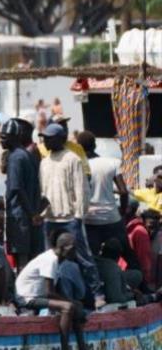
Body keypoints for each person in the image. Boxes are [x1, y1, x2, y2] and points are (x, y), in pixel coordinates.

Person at [15, 231, 105, 350]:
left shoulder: (58, 260)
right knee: (68, 307)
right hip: (26, 298)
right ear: (63, 248)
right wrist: (70, 303)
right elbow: (49, 292)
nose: (75, 252)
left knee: (75, 306)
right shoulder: (50, 260)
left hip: (37, 296)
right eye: (72, 249)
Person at [40, 123, 103, 307]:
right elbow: (43, 191)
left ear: (60, 139)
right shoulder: (44, 162)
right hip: (50, 218)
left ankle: (97, 293)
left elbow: (82, 189)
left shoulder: (73, 159)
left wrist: (78, 216)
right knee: (51, 260)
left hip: (70, 218)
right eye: (44, 137)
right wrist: (40, 214)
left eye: (49, 137)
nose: (45, 141)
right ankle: (56, 298)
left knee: (83, 257)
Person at [77, 131, 130, 258]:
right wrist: (122, 212)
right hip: (111, 217)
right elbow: (124, 191)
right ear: (95, 145)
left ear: (79, 147)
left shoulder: (77, 165)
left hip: (89, 219)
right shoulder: (112, 162)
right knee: (128, 254)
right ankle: (138, 275)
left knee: (92, 257)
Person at [0, 119, 42, 270]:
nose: (1, 140)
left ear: (15, 137)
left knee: (22, 258)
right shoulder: (26, 154)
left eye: (4, 137)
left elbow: (16, 188)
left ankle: (22, 292)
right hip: (28, 214)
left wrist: (31, 214)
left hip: (20, 215)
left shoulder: (16, 157)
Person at [95, 238, 140, 304]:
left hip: (96, 295)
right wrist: (133, 295)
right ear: (118, 256)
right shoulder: (113, 269)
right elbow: (116, 298)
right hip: (106, 303)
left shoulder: (93, 262)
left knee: (136, 274)